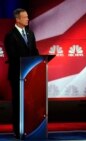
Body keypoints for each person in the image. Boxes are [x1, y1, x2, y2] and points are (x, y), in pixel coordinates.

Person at [4, 8, 39, 138]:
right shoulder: (10, 35)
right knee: (18, 103)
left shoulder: (30, 33)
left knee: (30, 103)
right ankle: (18, 130)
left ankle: (30, 128)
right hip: (17, 75)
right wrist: (27, 63)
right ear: (17, 19)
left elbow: (35, 51)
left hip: (31, 75)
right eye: (24, 17)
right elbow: (13, 56)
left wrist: (38, 62)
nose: (27, 19)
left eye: (27, 17)